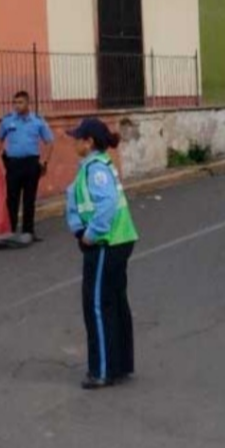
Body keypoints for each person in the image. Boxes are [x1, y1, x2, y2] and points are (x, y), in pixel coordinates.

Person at [65, 118, 139, 391]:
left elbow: (105, 205)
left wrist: (89, 235)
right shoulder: (95, 166)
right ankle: (120, 364)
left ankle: (102, 370)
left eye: (78, 138)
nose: (74, 142)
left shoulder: (95, 169)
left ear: (89, 142)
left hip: (106, 243)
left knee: (96, 305)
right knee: (115, 302)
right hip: (118, 240)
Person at [0, 91, 54, 242]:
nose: (17, 106)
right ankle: (11, 230)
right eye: (15, 102)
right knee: (12, 199)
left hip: (31, 164)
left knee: (29, 199)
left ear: (28, 103)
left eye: (20, 102)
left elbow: (49, 142)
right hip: (13, 164)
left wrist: (45, 162)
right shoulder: (7, 121)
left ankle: (29, 231)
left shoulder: (37, 121)